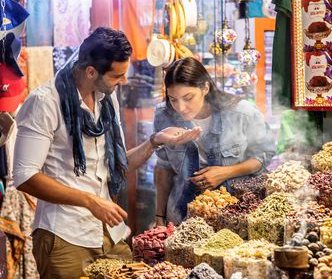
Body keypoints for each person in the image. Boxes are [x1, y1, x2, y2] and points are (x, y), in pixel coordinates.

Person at [12, 27, 201, 279]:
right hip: (64, 239)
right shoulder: (44, 103)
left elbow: (118, 165)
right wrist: (90, 201)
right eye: (117, 76)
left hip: (109, 234)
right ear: (91, 72)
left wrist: (155, 141)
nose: (123, 82)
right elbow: (25, 176)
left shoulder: (106, 99)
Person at [154, 57, 276, 226]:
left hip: (236, 214)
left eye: (188, 97)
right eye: (173, 99)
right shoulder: (164, 116)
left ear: (205, 87)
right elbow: (163, 169)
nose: (180, 107)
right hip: (182, 216)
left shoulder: (241, 113)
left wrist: (227, 172)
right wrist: (159, 217)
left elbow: (262, 156)